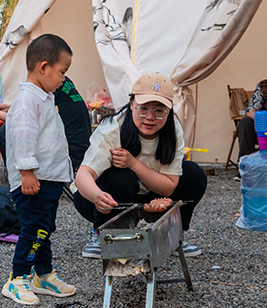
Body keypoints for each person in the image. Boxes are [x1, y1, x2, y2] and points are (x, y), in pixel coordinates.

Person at [73, 72, 207, 259]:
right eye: (143, 109)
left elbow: (170, 186)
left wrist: (133, 163)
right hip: (104, 199)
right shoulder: (113, 128)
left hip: (151, 193)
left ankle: (173, 234)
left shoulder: (173, 129)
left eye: (159, 111)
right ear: (131, 104)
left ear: (169, 111)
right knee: (122, 177)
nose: (150, 117)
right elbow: (83, 174)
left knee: (194, 174)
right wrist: (97, 197)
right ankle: (102, 233)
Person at [2, 34, 76, 305]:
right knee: (34, 229)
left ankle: (43, 274)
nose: (63, 79)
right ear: (44, 67)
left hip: (50, 179)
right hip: (35, 179)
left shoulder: (43, 97)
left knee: (45, 228)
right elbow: (23, 137)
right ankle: (18, 278)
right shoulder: (27, 101)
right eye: (62, 72)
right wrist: (27, 172)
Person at [0, 76, 92, 170]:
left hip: (69, 155)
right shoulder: (63, 84)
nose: (62, 79)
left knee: (5, 131)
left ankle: (22, 178)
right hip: (84, 151)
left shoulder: (49, 84)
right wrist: (12, 108)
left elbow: (26, 121)